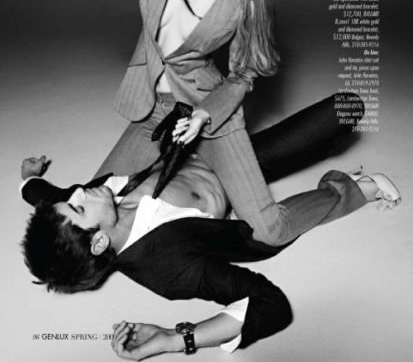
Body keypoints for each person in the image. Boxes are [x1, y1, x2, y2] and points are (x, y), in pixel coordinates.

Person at [63, 0, 344, 247]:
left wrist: (203, 116)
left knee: (269, 231)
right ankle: (197, 167)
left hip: (205, 108)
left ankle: (353, 189)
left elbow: (243, 75)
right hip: (152, 108)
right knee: (96, 212)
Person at [21, 97, 401, 359]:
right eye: (77, 206)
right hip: (244, 183)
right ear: (99, 241)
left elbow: (45, 196)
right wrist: (174, 339)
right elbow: (269, 304)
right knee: (340, 117)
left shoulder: (89, 200)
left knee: (346, 108)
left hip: (209, 148)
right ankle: (354, 189)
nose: (79, 192)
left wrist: (28, 178)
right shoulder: (170, 270)